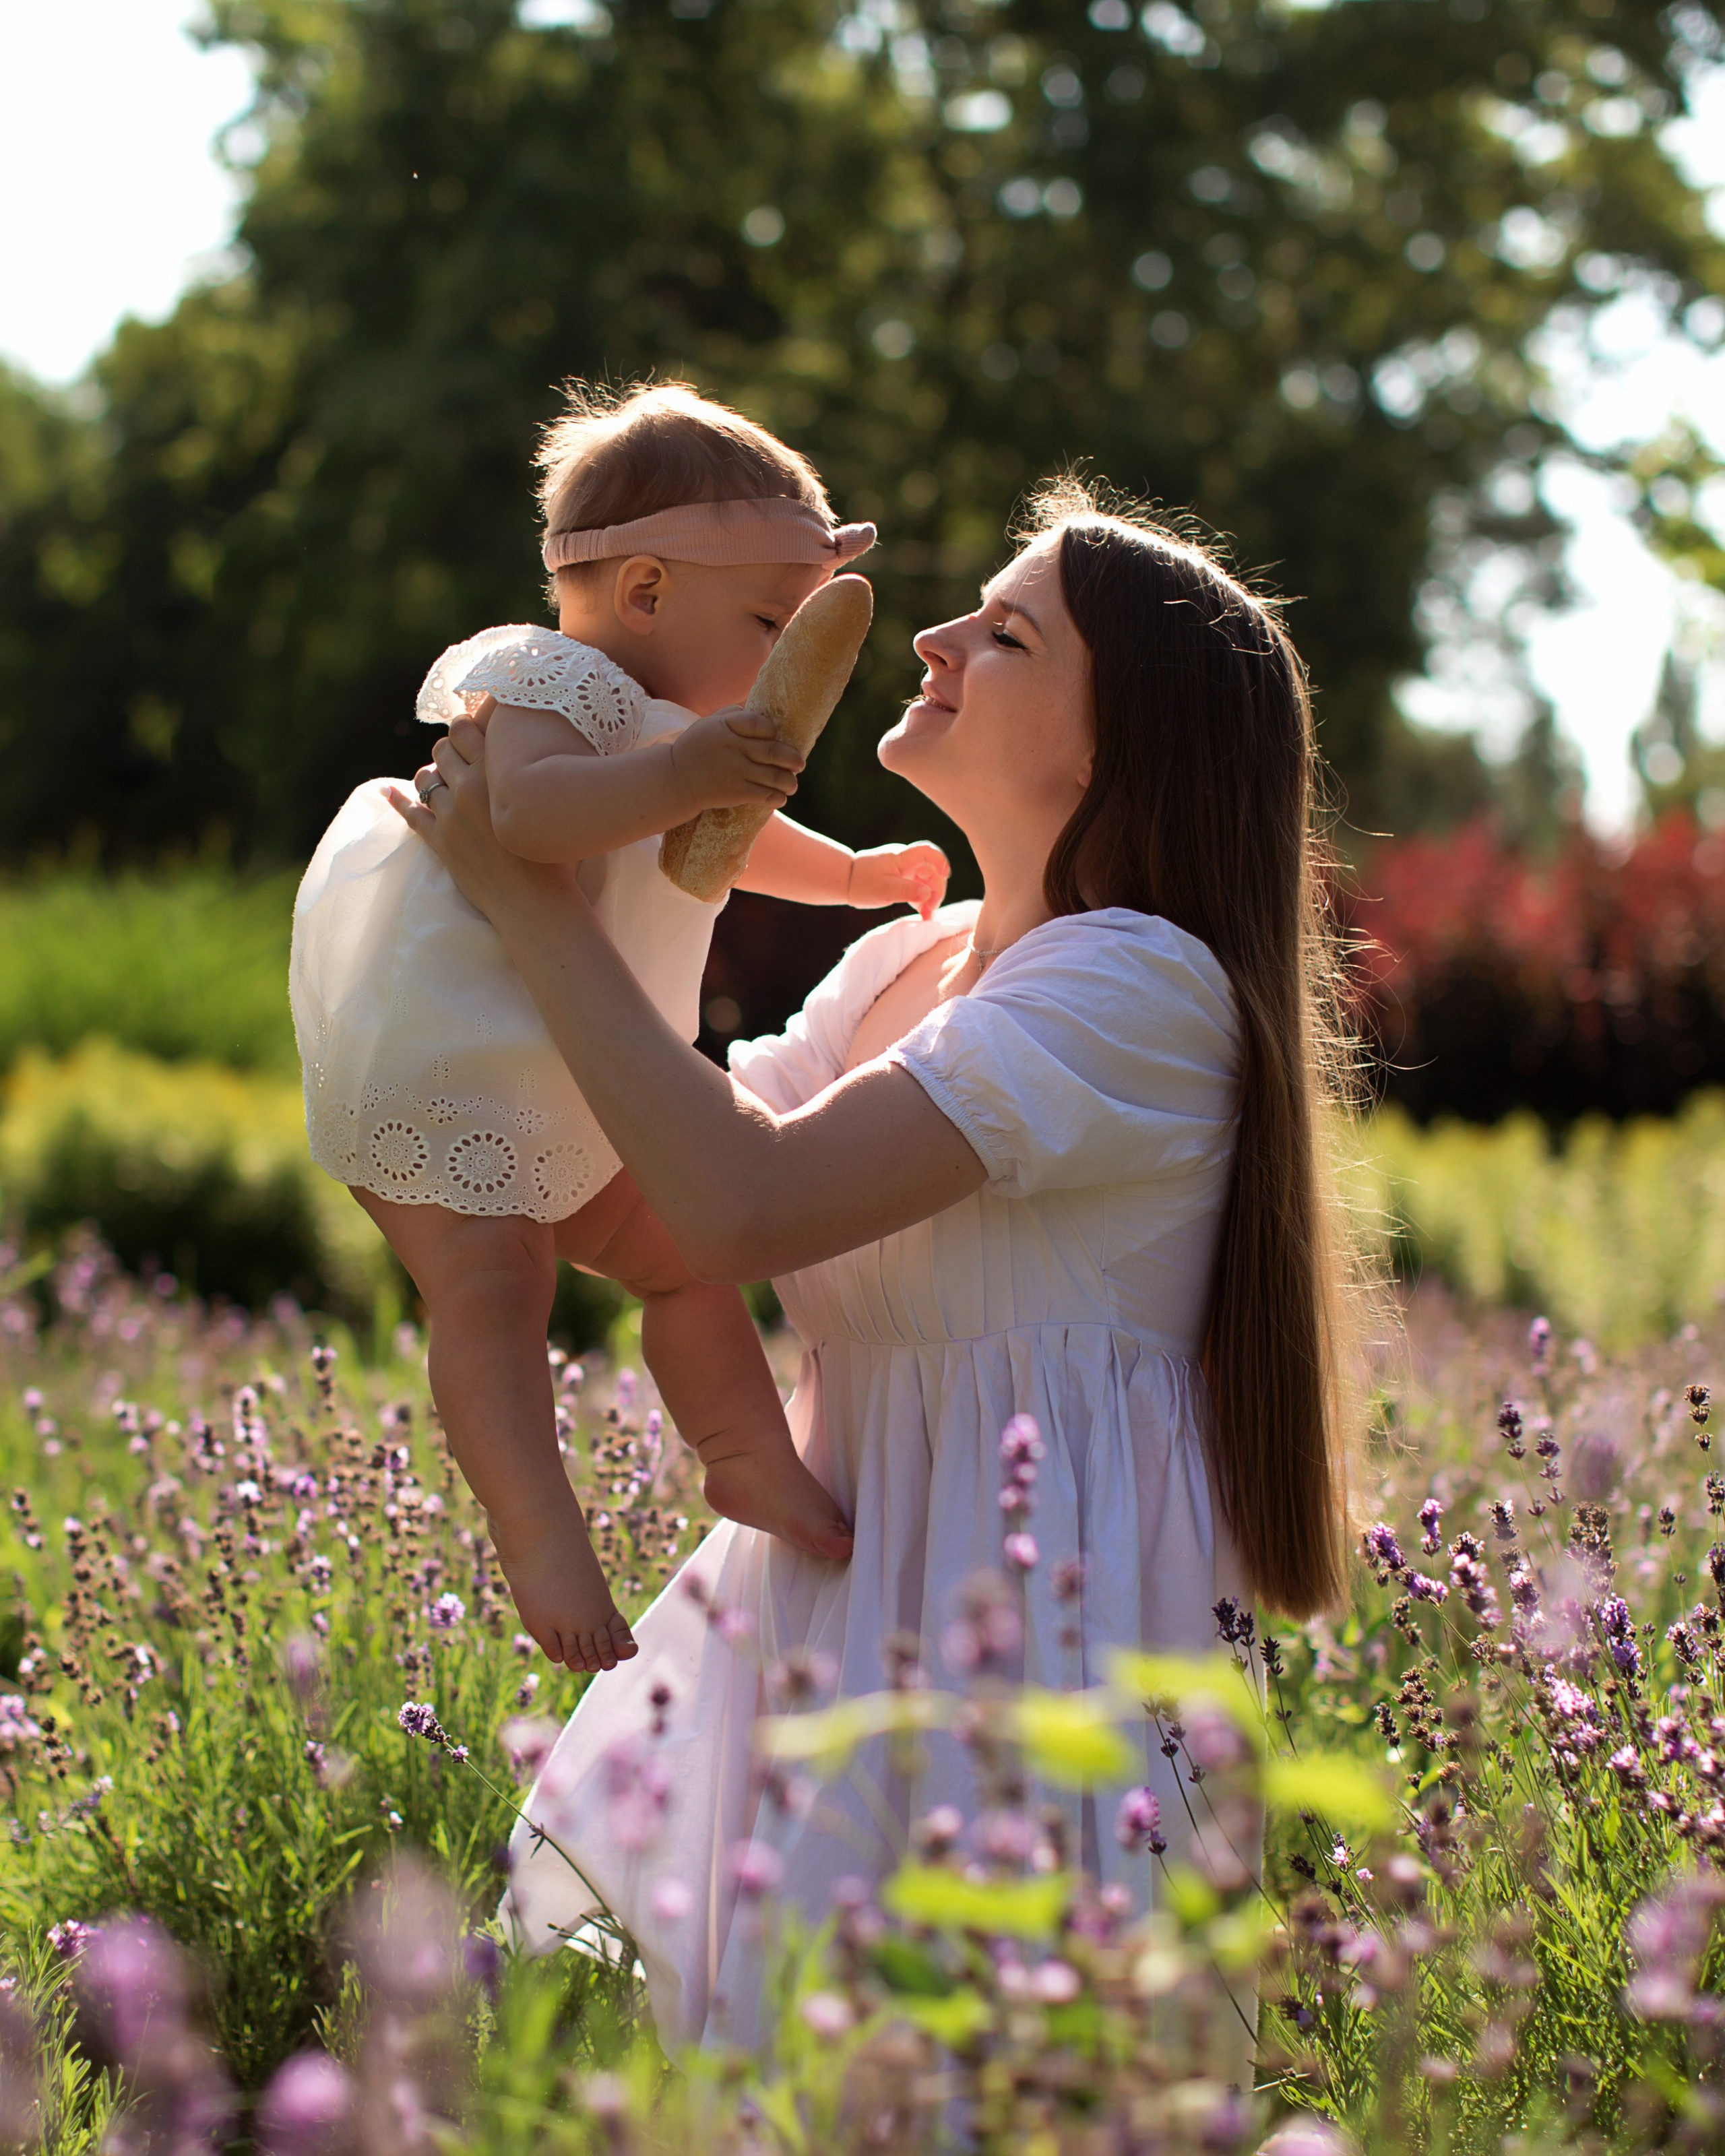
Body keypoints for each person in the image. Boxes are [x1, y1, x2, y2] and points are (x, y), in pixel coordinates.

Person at [391, 478, 1364, 2052]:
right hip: (840, 1595)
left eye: (1003, 631)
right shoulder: (905, 959)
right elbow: (628, 1171)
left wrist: (527, 896)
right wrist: (530, 833)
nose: (926, 635)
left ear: (1115, 744)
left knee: (985, 2078)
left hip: (1033, 1633)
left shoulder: (1136, 986)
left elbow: (738, 1204)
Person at [290, 382, 949, 1675]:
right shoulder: (543, 684)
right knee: (492, 1286)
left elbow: (735, 843)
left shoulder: (671, 735)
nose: (782, 663)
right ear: (643, 591)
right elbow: (527, 821)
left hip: (576, 1084)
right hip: (451, 1076)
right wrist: (700, 768)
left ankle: (746, 1455)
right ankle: (537, 1533)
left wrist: (860, 876)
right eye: (770, 622)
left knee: (686, 1256)